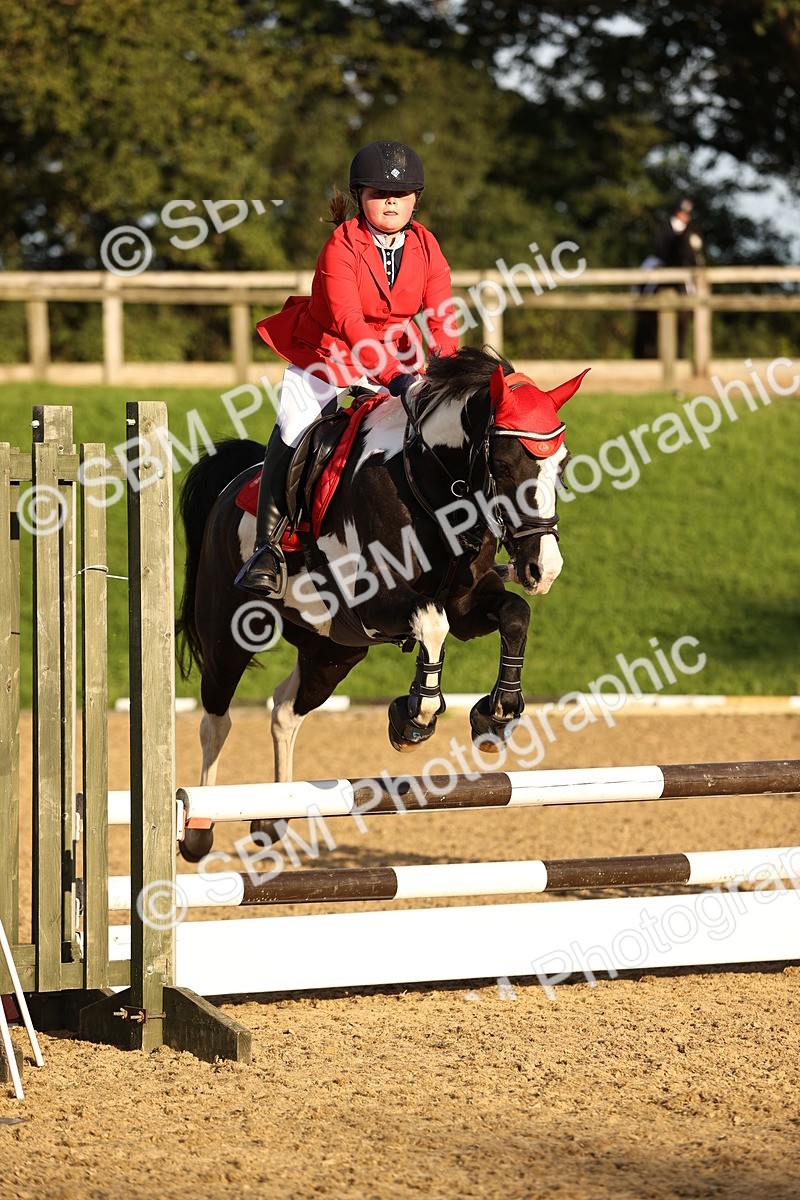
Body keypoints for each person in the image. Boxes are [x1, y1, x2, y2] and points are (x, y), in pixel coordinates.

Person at [236, 139, 458, 597]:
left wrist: (447, 367)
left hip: (396, 349)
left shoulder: (426, 245)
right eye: (379, 193)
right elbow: (349, 322)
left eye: (400, 194)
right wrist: (394, 378)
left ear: (416, 199)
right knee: (296, 428)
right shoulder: (340, 246)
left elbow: (441, 314)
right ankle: (267, 547)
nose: (390, 202)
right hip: (328, 351)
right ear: (360, 196)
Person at [633, 196, 704, 359]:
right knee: (646, 269)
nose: (685, 215)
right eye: (682, 212)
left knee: (692, 284)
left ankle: (696, 305)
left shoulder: (691, 230)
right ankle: (641, 298)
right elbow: (659, 246)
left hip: (682, 267)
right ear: (676, 211)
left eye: (687, 213)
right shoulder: (665, 225)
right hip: (662, 260)